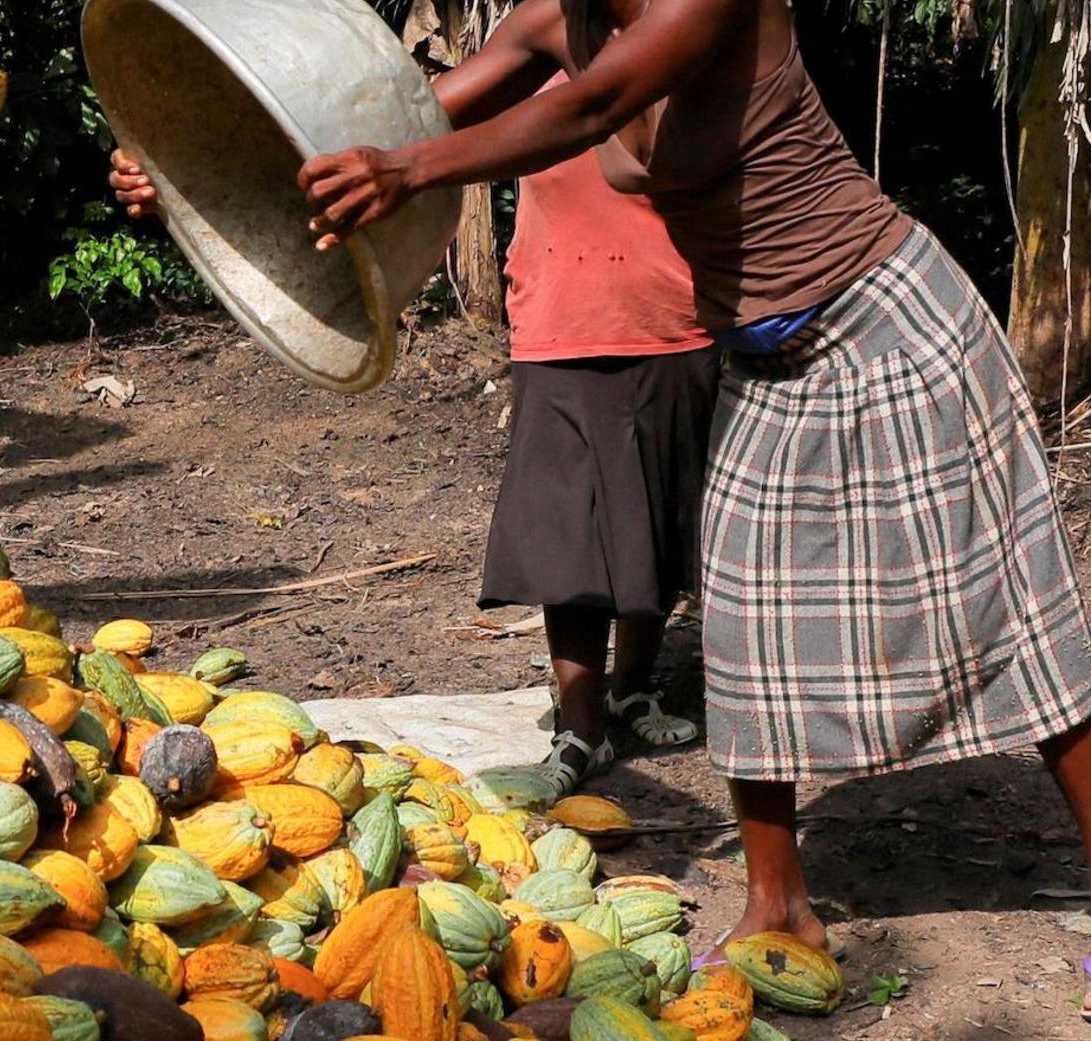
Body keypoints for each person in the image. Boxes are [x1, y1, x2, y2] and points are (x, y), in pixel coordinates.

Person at [203, 0, 1091, 1020]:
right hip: (764, 357)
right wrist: (211, 160)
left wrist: (411, 174)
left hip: (885, 317)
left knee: (1001, 593)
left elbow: (595, 107)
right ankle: (777, 906)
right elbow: (411, 114)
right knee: (754, 631)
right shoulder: (555, 9)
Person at [117, 72, 714, 783]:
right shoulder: (534, 59)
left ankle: (632, 687)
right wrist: (184, 171)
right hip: (560, 324)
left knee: (654, 521)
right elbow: (368, 136)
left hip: (678, 320)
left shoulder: (685, 37)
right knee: (569, 540)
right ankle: (582, 727)